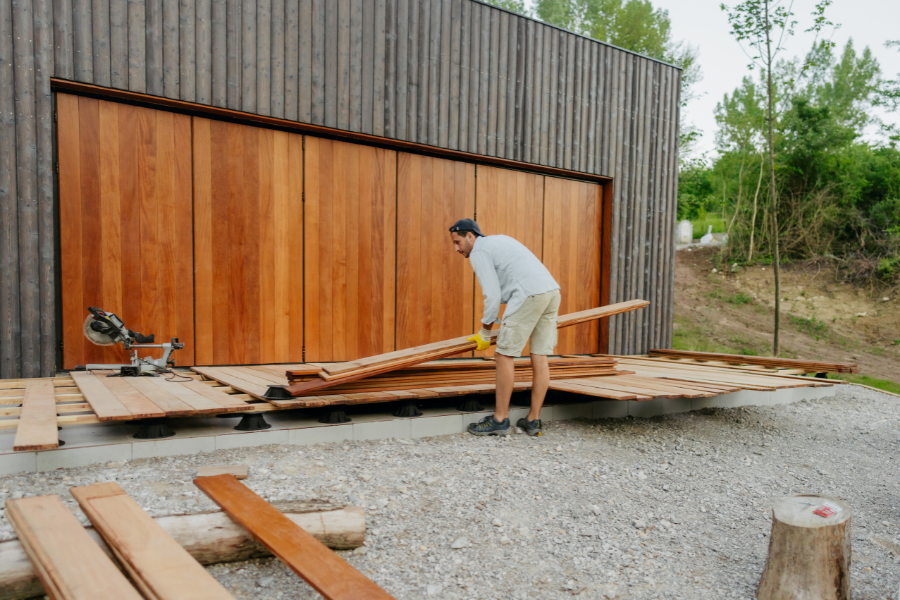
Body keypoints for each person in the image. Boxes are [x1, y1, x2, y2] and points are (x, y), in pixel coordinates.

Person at [449, 218, 561, 437]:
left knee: (503, 355)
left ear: (470, 236)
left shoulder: (479, 251)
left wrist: (484, 331)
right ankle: (533, 420)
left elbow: (492, 296)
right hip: (551, 292)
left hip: (529, 294)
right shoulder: (500, 240)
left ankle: (500, 420)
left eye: (457, 242)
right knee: (539, 355)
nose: (456, 249)